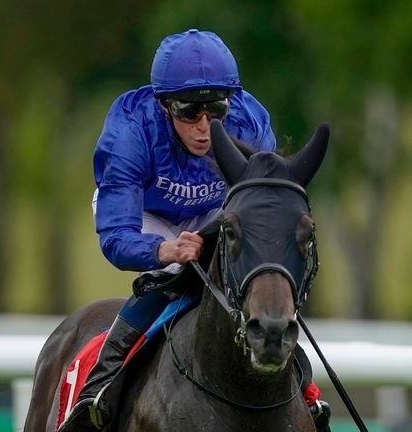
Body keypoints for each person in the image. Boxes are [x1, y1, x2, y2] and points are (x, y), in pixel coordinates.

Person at [62, 29, 330, 431]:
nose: (205, 126)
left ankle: (304, 392)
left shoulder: (250, 123)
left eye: (216, 110)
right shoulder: (130, 132)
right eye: (189, 112)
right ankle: (99, 389)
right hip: (144, 216)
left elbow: (266, 208)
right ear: (165, 106)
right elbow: (116, 237)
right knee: (171, 277)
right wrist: (164, 250)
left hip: (212, 212)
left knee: (243, 275)